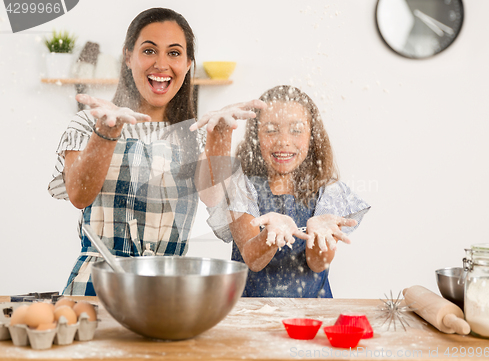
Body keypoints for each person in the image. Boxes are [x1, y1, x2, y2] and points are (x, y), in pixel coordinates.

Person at [48, 7, 264, 296]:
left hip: (166, 293)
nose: (161, 64)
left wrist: (220, 133)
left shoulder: (197, 134)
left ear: (188, 63)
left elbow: (212, 195)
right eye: (149, 51)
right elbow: (79, 194)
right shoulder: (89, 123)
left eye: (174, 53)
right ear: (128, 56)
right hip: (95, 291)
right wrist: (107, 132)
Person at [207, 85, 371, 298]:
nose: (283, 141)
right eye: (271, 129)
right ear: (256, 135)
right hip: (250, 314)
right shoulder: (242, 186)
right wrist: (271, 236)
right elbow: (253, 259)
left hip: (312, 316)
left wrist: (319, 237)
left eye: (296, 130)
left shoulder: (328, 192)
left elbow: (318, 263)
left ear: (312, 136)